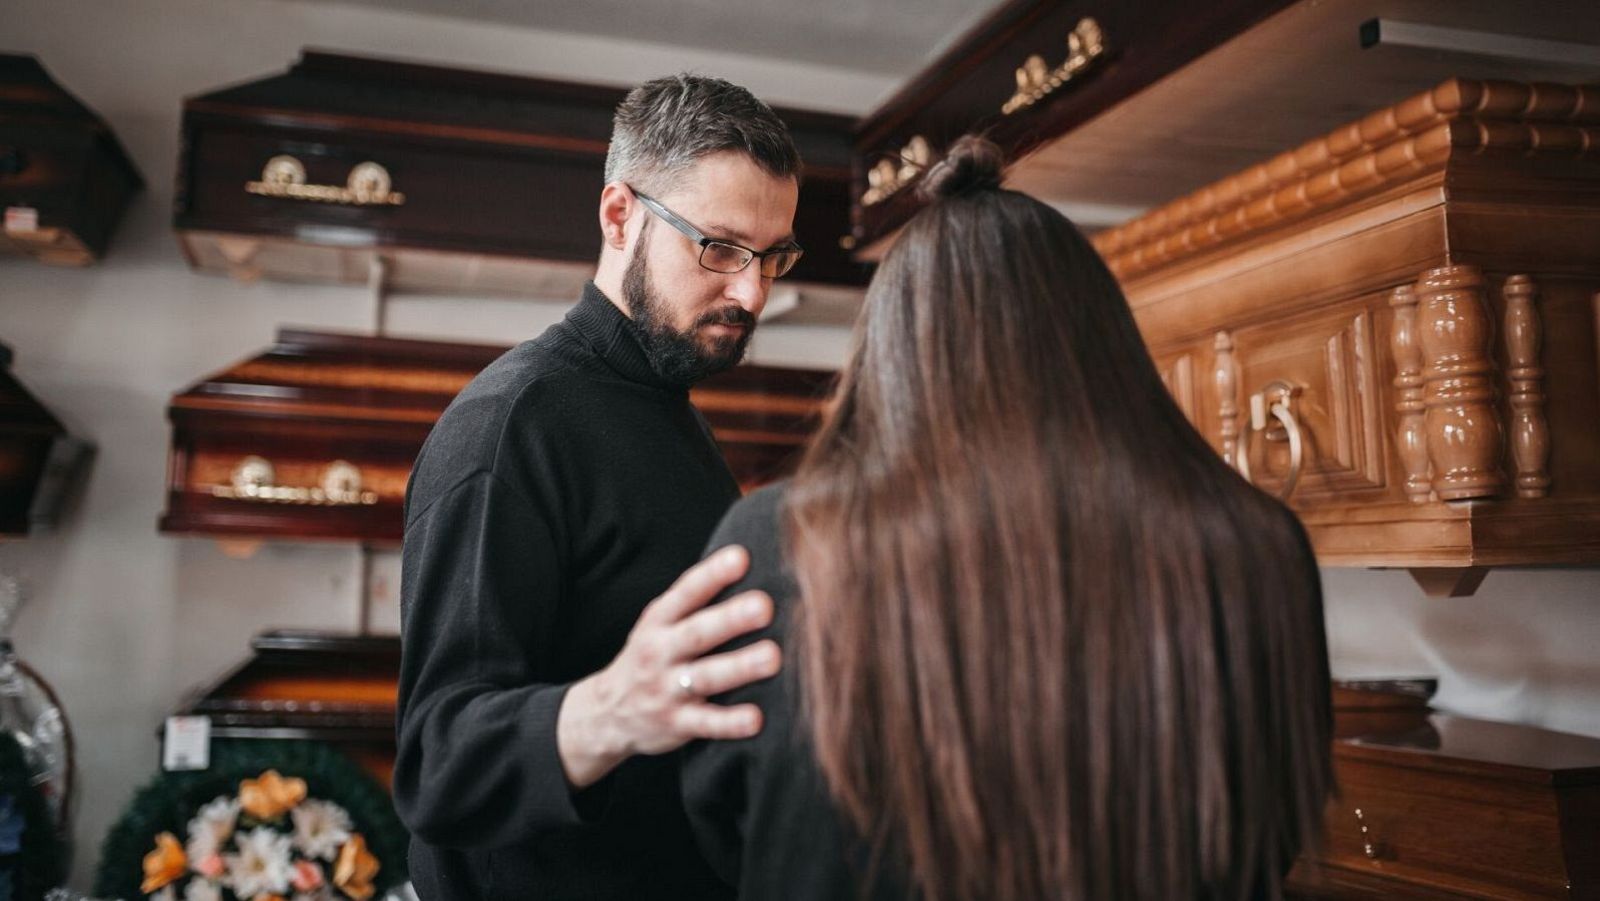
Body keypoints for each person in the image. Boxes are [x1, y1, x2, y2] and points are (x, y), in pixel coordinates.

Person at [682, 136, 1335, 901]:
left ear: (892, 351)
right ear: (1100, 341)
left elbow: (721, 818)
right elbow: (1278, 819)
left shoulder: (774, 544)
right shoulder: (1256, 543)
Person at [395, 74, 808, 900]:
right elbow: (440, 764)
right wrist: (615, 707)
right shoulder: (512, 425)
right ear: (619, 215)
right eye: (721, 247)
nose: (752, 290)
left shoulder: (672, 412)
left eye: (773, 256)